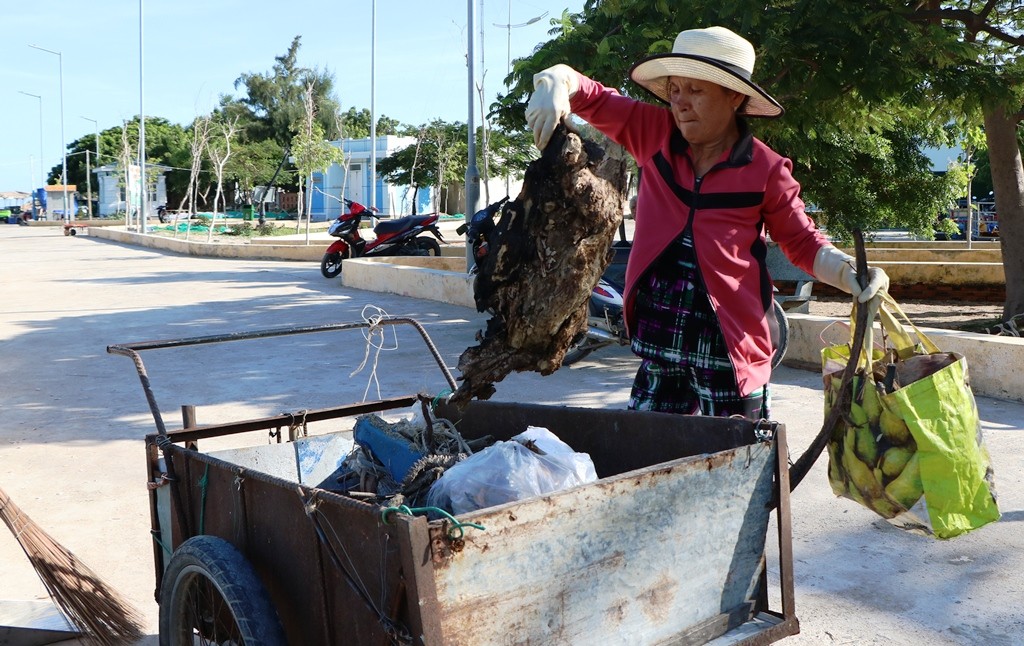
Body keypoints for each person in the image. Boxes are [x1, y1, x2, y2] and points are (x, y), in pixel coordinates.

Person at [525, 26, 888, 420]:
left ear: (734, 96)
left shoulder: (766, 170)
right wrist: (555, 80)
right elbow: (591, 95)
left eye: (696, 91)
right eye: (675, 89)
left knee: (735, 461)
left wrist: (847, 271)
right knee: (648, 455)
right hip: (658, 336)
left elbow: (801, 240)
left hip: (729, 348)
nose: (680, 103)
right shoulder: (654, 133)